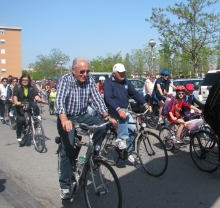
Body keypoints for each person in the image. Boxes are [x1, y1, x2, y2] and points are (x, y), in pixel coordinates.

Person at [55, 57, 117, 200]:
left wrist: (107, 116)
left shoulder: (89, 80)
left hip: (82, 115)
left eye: (87, 71)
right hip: (68, 117)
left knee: (102, 126)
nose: (85, 74)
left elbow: (97, 98)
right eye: (82, 71)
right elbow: (59, 101)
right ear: (73, 70)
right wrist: (64, 119)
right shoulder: (66, 79)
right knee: (68, 150)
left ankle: (93, 154)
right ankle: (64, 185)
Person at [104, 63, 150, 163]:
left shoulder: (126, 82)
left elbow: (134, 93)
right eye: (120, 73)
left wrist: (145, 103)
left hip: (124, 109)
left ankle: (129, 152)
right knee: (123, 115)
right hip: (113, 109)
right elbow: (108, 98)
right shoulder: (109, 82)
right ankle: (120, 139)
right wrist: (118, 109)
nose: (122, 74)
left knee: (133, 130)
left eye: (124, 72)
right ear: (114, 73)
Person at [13, 74, 45, 141]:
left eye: (26, 80)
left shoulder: (31, 87)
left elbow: (35, 95)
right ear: (21, 80)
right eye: (23, 80)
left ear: (29, 81)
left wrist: (40, 100)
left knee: (30, 117)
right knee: (21, 119)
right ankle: (18, 134)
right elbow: (15, 96)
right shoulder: (17, 87)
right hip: (19, 105)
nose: (25, 81)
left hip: (28, 104)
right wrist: (16, 102)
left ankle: (28, 128)